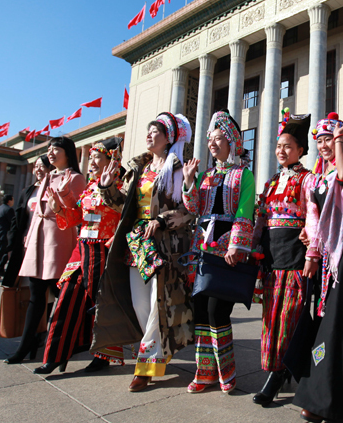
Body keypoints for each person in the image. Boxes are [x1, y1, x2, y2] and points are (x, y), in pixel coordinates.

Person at [92, 113, 194, 392]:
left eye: (155, 132)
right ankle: (157, 351)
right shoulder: (140, 169)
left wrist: (161, 220)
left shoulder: (176, 169)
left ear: (169, 138)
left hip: (163, 247)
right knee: (140, 305)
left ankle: (146, 366)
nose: (148, 135)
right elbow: (123, 206)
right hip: (136, 244)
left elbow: (188, 211)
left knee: (157, 303)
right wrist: (107, 186)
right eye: (147, 131)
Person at [292, 113, 343, 423]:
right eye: (321, 140)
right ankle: (323, 396)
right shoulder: (315, 178)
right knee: (327, 323)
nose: (324, 145)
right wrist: (312, 252)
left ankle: (335, 401)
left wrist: (340, 143)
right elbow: (312, 219)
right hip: (327, 257)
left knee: (342, 324)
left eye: (330, 139)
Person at [35, 138, 126, 374]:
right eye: (92, 156)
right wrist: (59, 204)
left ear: (111, 159)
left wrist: (109, 188)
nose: (92, 162)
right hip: (82, 248)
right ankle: (55, 355)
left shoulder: (121, 185)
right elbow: (76, 218)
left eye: (97, 156)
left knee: (102, 303)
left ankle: (104, 354)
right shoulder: (90, 187)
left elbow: (124, 214)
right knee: (66, 298)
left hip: (103, 249)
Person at [181, 110, 256, 394]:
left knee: (218, 310)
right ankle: (204, 373)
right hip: (201, 248)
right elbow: (193, 209)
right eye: (210, 139)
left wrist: (237, 245)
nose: (212, 143)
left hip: (227, 250)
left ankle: (226, 372)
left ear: (232, 143)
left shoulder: (243, 174)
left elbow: (245, 210)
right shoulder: (204, 175)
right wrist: (189, 182)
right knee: (200, 310)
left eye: (219, 138)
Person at [252, 111, 319, 406]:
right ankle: (274, 368)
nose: (281, 151)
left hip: (295, 258)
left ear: (301, 150)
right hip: (271, 260)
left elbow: (313, 218)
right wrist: (252, 248)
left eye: (288, 146)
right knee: (270, 319)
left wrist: (312, 253)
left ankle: (278, 374)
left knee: (289, 318)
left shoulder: (307, 180)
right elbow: (261, 221)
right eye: (279, 146)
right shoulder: (270, 183)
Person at [5, 136, 86, 364]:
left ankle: (66, 344)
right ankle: (26, 345)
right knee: (35, 297)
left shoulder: (76, 178)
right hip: (38, 238)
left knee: (62, 298)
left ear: (68, 153)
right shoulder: (47, 177)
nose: (50, 153)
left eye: (55, 149)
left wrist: (59, 208)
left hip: (58, 239)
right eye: (49, 149)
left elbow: (78, 215)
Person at [1, 156, 52, 288]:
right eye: (36, 166)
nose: (38, 170)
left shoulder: (55, 189)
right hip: (25, 242)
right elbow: (16, 220)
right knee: (24, 283)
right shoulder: (29, 191)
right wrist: (11, 245)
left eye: (42, 166)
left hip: (46, 243)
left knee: (44, 285)